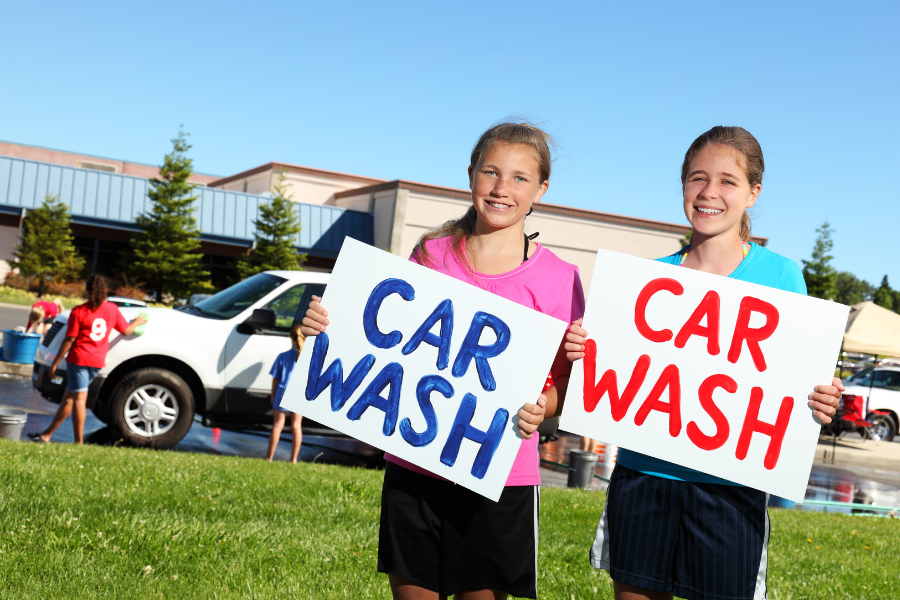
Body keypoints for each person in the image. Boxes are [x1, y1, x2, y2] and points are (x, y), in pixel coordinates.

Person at [302, 122, 585, 600]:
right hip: (415, 465)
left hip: (501, 473)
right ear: (471, 174)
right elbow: (377, 339)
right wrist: (323, 327)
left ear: (542, 189)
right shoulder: (430, 255)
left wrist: (546, 405)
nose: (501, 188)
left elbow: (566, 382)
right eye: (490, 172)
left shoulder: (561, 279)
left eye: (519, 178)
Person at [564, 126, 844, 600]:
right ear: (683, 186)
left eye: (728, 181)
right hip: (643, 479)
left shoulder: (781, 276)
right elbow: (612, 380)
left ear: (754, 192)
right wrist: (585, 353)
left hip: (730, 493)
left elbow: (795, 378)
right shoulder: (647, 281)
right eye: (697, 178)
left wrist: (820, 396)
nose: (709, 192)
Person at [30, 275, 146, 444]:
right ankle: (47, 435)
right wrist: (137, 322)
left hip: (79, 361)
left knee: (78, 400)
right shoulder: (112, 309)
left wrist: (55, 362)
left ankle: (79, 442)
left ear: (86, 291)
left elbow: (69, 340)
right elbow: (126, 331)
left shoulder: (79, 311)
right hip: (97, 362)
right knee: (68, 398)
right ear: (104, 291)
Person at [265, 324, 305, 463]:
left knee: (277, 425)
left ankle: (269, 457)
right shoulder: (306, 358)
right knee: (296, 426)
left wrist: (272, 394)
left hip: (282, 391)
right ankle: (293, 459)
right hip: (299, 394)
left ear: (291, 337)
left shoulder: (282, 356)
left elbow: (276, 378)